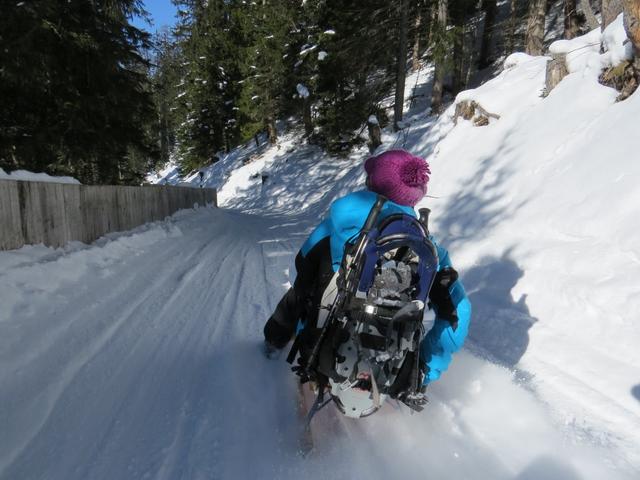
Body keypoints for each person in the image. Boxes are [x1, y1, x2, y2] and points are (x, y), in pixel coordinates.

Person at [263, 149, 471, 387]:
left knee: (299, 294)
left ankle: (273, 343)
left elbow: (302, 272)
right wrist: (424, 370)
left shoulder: (336, 226)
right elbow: (458, 309)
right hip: (393, 364)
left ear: (372, 183)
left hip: (322, 349)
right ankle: (412, 373)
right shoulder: (428, 250)